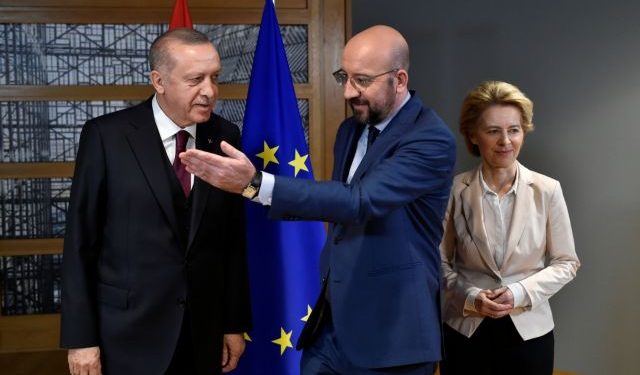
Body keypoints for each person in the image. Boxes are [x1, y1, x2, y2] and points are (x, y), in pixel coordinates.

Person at [179, 25, 456, 375]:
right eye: (345, 77)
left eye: (362, 80)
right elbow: (337, 210)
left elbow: (359, 202)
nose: (348, 92)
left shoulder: (431, 139)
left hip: (393, 336)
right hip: (330, 330)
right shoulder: (351, 129)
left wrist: (256, 184)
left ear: (399, 80)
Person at [60, 28, 251, 375]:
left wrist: (232, 323)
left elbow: (231, 240)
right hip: (126, 335)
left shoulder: (225, 136)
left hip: (203, 332)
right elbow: (79, 244)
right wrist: (80, 338)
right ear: (159, 81)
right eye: (195, 79)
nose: (209, 91)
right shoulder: (106, 136)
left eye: (214, 78)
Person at [439, 80, 580, 375]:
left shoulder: (548, 190)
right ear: (473, 135)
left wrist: (518, 293)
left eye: (514, 130)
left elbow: (567, 263)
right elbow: (436, 262)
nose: (505, 140)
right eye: (493, 131)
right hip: (465, 332)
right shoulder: (453, 190)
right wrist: (471, 296)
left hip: (529, 334)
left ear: (523, 132)